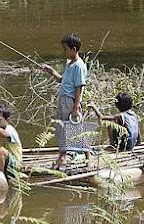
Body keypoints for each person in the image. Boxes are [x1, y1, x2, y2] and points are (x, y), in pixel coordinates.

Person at [41, 33, 88, 168]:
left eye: (66, 49)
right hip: (64, 100)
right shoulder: (69, 64)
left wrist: (76, 106)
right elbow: (62, 80)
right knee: (62, 128)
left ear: (73, 49)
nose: (64, 52)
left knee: (74, 128)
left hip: (70, 101)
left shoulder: (78, 66)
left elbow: (79, 87)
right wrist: (51, 71)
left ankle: (83, 156)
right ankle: (63, 156)